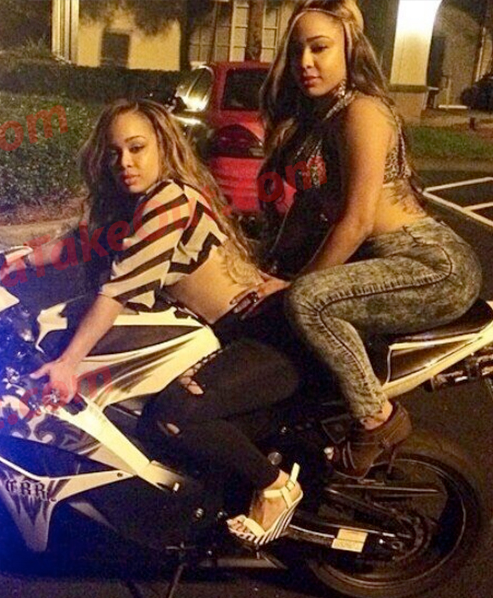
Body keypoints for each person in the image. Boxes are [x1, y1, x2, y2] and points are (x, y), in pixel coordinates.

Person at [31, 98, 303, 546]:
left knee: (174, 414)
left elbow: (118, 290)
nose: (125, 162)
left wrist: (68, 362)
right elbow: (83, 243)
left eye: (137, 148)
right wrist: (10, 263)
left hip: (263, 334)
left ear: (163, 145)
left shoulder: (169, 200)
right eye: (114, 153)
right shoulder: (139, 205)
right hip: (233, 333)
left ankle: (275, 486)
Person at [247, 0, 482, 479]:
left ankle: (378, 419)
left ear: (349, 49)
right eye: (296, 51)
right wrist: (264, 265)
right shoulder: (320, 118)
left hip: (430, 263)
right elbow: (306, 212)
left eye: (319, 48)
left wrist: (293, 286)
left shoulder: (362, 112)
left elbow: (354, 221)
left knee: (308, 300)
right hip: (382, 263)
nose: (305, 62)